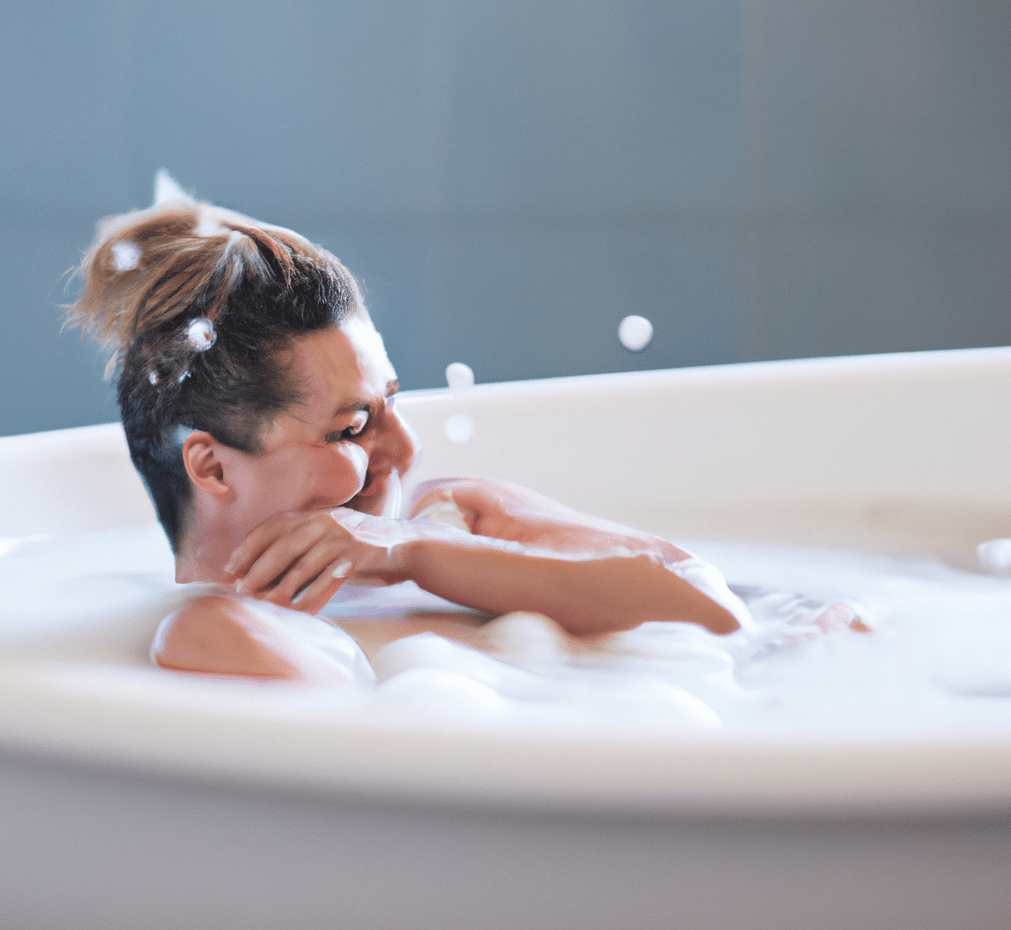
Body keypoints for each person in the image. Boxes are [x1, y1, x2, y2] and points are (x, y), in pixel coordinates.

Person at [67, 177, 827, 687]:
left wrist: (416, 553)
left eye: (394, 403)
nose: (403, 449)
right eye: (353, 428)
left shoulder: (456, 519)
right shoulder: (216, 636)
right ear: (213, 469)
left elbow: (712, 606)